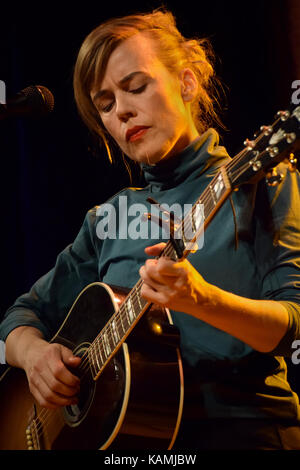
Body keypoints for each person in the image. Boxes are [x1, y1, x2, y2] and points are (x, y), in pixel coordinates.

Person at [1, 8, 300, 450]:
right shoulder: (109, 217)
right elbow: (17, 320)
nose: (122, 110)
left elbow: (293, 322)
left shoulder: (260, 184)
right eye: (105, 104)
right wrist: (36, 356)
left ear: (187, 81)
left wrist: (202, 300)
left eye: (135, 87)